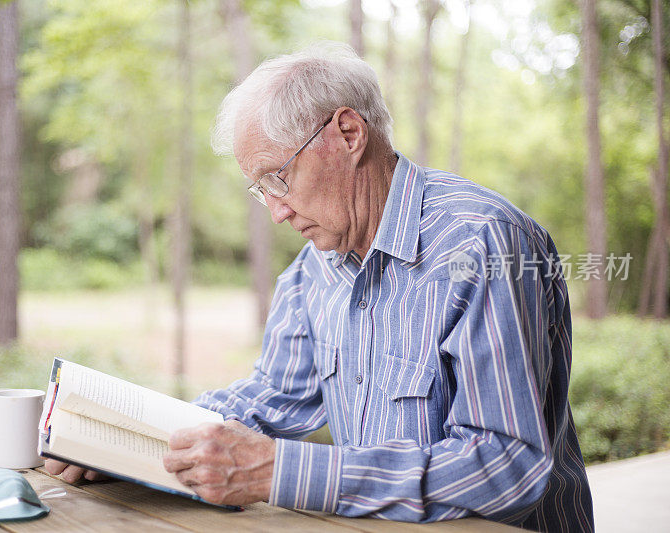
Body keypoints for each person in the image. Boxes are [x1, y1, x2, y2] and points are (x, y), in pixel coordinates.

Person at [47, 42, 594, 532]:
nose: (278, 213)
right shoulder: (314, 271)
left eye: (278, 178)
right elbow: (273, 398)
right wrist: (135, 443)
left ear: (348, 134)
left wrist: (279, 470)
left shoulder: (483, 245)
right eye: (260, 191)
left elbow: (506, 467)